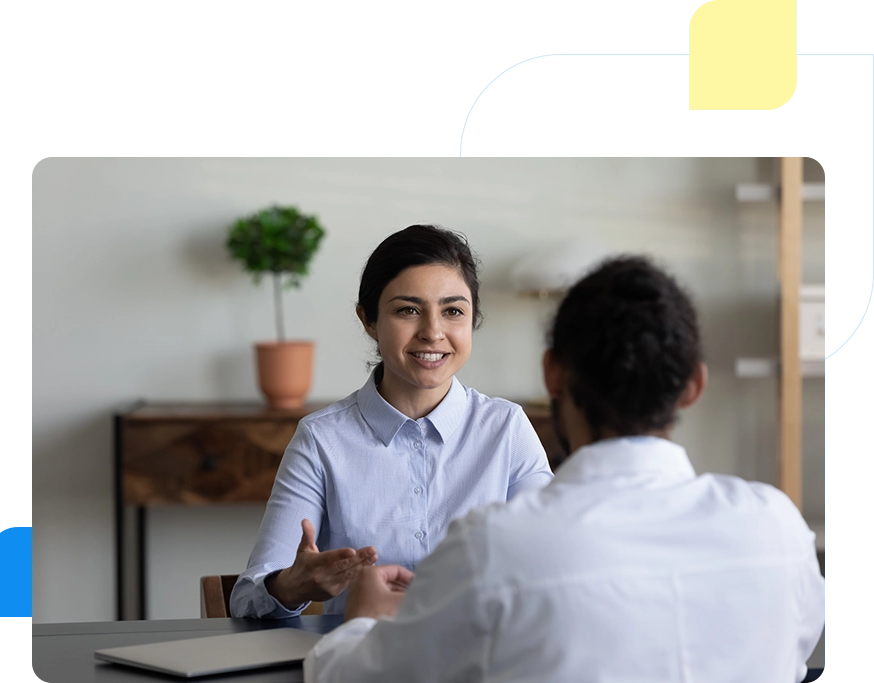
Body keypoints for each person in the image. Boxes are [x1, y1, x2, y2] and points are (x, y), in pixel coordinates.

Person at [304, 255, 825, 683]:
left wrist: (364, 621)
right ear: (693, 384)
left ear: (552, 374)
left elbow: (350, 678)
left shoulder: (494, 548)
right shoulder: (778, 528)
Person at [230, 225, 554, 618]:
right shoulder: (320, 439)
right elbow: (246, 600)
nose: (433, 332)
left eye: (453, 311)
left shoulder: (507, 429)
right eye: (408, 310)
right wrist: (292, 586)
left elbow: (553, 568)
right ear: (369, 321)